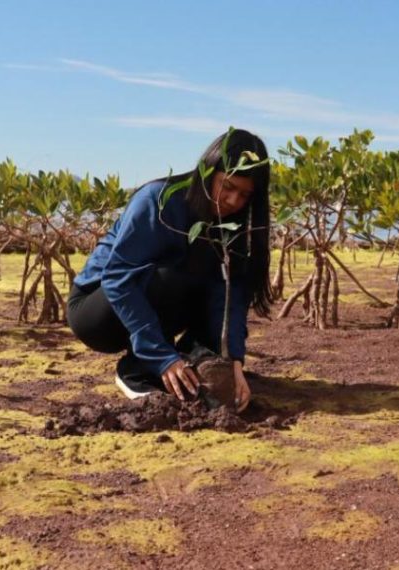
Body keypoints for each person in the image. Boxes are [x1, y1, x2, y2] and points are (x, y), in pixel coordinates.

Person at [66, 129, 273, 412]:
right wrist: (161, 357)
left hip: (154, 300)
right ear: (208, 172)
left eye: (244, 195)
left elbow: (232, 297)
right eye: (228, 187)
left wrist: (234, 360)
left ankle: (194, 363)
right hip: (98, 309)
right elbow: (117, 279)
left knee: (220, 286)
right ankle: (136, 370)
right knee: (173, 277)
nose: (234, 201)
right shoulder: (159, 200)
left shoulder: (233, 226)